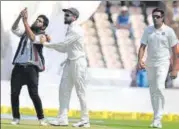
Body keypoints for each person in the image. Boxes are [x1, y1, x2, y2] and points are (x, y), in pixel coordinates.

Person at [41, 7, 90, 127]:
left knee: (80, 92)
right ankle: (62, 119)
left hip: (78, 63)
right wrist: (48, 44)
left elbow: (63, 44)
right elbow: (64, 48)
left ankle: (85, 120)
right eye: (65, 14)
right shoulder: (69, 29)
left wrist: (46, 44)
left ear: (74, 17)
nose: (65, 16)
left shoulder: (76, 30)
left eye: (68, 15)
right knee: (63, 90)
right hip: (70, 62)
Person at [137, 8, 179, 128]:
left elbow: (175, 52)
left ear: (162, 17)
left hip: (163, 63)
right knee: (153, 91)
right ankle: (156, 117)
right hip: (150, 63)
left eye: (158, 16)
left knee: (160, 87)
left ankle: (158, 118)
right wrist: (139, 60)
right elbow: (142, 46)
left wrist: (175, 68)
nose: (155, 18)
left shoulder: (169, 31)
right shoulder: (148, 30)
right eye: (153, 16)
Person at [10, 8, 50, 125]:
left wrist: (25, 21)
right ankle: (16, 118)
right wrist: (19, 17)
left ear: (43, 27)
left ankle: (41, 118)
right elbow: (13, 29)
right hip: (18, 67)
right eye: (37, 19)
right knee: (14, 93)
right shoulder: (25, 32)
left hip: (32, 68)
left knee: (33, 94)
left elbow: (33, 38)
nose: (37, 21)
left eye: (40, 21)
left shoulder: (42, 36)